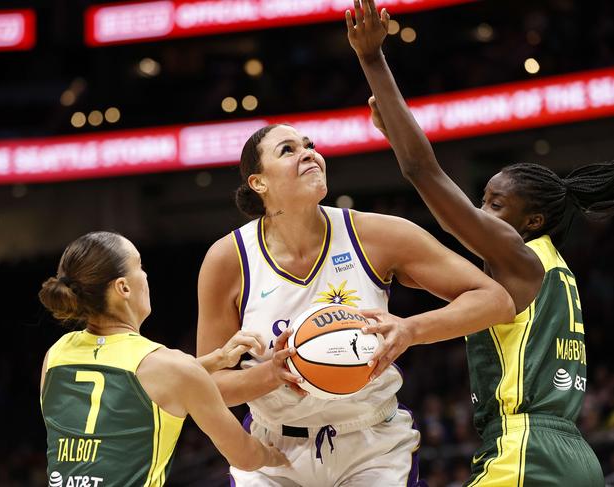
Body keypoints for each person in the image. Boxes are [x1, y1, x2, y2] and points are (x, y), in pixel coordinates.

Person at [347, 0, 612, 484]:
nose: (481, 214)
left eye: (495, 205)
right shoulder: (549, 271)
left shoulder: (520, 257)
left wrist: (372, 60)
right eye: (482, 200)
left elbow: (421, 170)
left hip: (524, 448)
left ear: (531, 220)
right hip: (574, 456)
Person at [196, 99, 515, 484]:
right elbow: (208, 385)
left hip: (371, 444)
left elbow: (495, 300)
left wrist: (411, 330)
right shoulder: (228, 258)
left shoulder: (377, 235)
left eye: (310, 145)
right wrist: (274, 374)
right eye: (288, 150)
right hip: (275, 449)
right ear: (258, 182)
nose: (309, 154)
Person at [38, 231, 289, 487]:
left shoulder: (55, 356)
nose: (145, 275)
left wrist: (215, 360)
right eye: (140, 266)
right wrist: (277, 457)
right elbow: (244, 456)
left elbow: (123, 386)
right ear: (123, 287)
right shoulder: (172, 368)